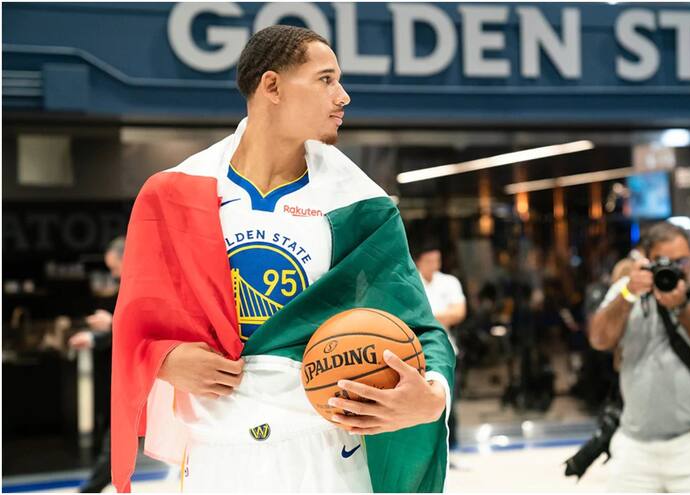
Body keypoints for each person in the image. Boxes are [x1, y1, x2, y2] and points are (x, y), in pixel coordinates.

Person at [111, 26, 454, 493]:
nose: (344, 96)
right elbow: (136, 325)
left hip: (326, 445)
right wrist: (164, 359)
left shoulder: (360, 204)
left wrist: (433, 396)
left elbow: (419, 327)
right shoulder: (174, 192)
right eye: (325, 79)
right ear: (271, 86)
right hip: (215, 448)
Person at [590, 221, 690, 492]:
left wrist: (683, 308)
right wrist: (627, 294)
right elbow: (599, 339)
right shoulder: (627, 291)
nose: (675, 269)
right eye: (664, 261)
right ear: (647, 261)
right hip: (634, 448)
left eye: (682, 261)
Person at [67, 236, 125, 493]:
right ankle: (92, 487)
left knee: (119, 438)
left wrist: (110, 324)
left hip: (153, 371)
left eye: (114, 268)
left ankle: (90, 489)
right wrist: (94, 336)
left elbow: (147, 327)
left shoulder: (146, 281)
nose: (113, 274)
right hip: (130, 371)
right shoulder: (127, 283)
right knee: (118, 437)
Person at [413, 244, 466, 455]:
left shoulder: (449, 281)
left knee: (450, 401)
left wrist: (426, 317)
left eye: (437, 260)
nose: (434, 265)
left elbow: (459, 312)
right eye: (429, 261)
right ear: (419, 261)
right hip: (415, 353)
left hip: (446, 350)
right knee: (419, 406)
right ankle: (425, 451)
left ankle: (452, 449)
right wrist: (441, 316)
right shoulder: (410, 280)